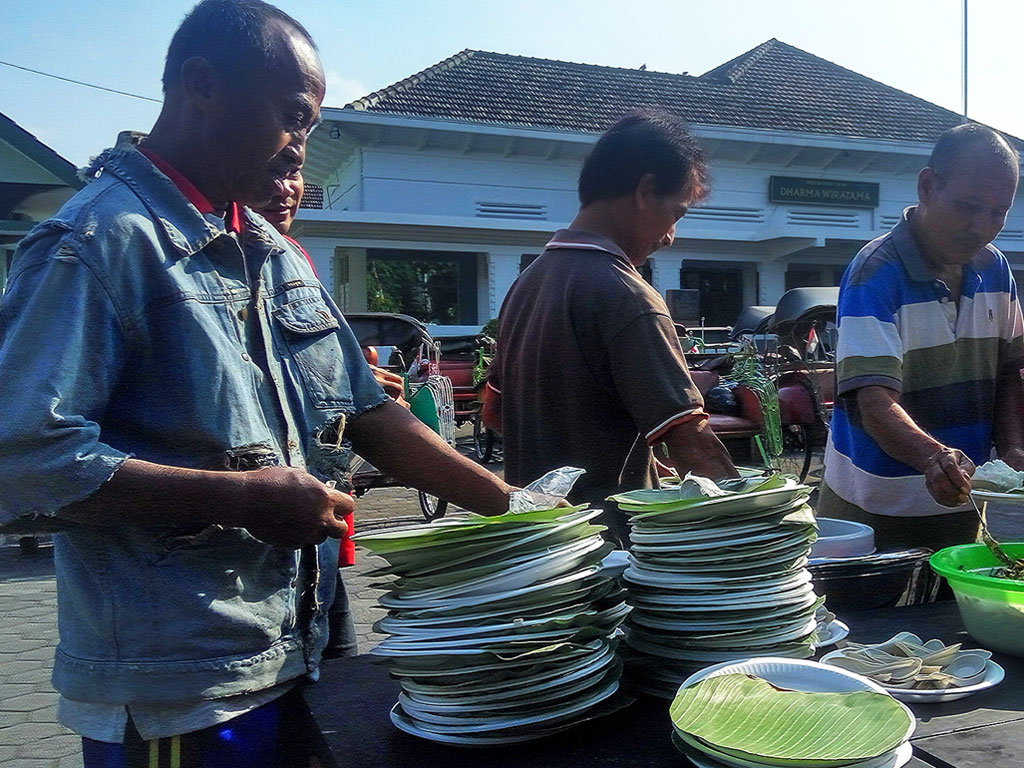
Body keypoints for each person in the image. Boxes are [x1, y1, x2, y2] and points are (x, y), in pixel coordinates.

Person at [0, 2, 513, 765]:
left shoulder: (265, 246)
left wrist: (521, 509)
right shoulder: (96, 245)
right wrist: (240, 498)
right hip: (183, 688)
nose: (300, 148)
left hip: (293, 649)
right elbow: (24, 461)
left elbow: (368, 413)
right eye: (293, 118)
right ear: (200, 85)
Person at [485, 110, 737, 542]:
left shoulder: (527, 283)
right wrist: (754, 526)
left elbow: (494, 413)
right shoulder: (627, 294)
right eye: (675, 212)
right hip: (609, 547)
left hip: (537, 540)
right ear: (644, 190)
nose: (671, 235)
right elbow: (690, 442)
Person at [820, 123, 1024, 551]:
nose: (981, 226)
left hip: (964, 507)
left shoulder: (996, 270)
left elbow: (1011, 373)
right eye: (967, 206)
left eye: (998, 212)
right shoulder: (875, 272)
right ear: (928, 186)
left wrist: (1011, 446)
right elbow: (873, 399)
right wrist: (933, 458)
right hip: (874, 511)